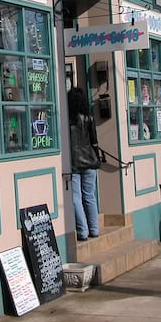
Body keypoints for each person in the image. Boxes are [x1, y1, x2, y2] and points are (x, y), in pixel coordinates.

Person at [68, 87, 100, 241]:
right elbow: (94, 142)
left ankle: (82, 231)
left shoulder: (68, 121)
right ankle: (94, 229)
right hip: (90, 161)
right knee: (89, 196)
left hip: (73, 162)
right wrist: (98, 158)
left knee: (76, 198)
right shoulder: (89, 119)